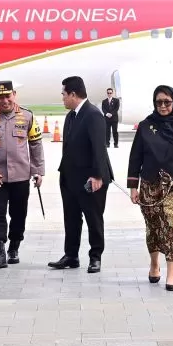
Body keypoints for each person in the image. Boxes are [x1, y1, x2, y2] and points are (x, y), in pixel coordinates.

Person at [127, 85, 173, 291]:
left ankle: (172, 273)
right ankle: (154, 264)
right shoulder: (145, 125)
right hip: (150, 185)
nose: (163, 106)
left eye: (167, 102)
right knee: (154, 229)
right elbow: (135, 157)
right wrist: (133, 186)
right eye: (159, 102)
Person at [0, 80, 45, 268]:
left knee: (18, 214)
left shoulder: (27, 116)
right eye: (0, 97)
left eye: (8, 96)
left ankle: (14, 246)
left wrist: (38, 172)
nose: (4, 100)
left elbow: (36, 144)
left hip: (21, 176)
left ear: (14, 94)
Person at [49, 76, 113, 273]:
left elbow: (99, 148)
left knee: (93, 218)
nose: (62, 98)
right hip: (70, 178)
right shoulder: (71, 116)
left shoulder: (93, 114)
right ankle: (71, 255)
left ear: (73, 94)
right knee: (71, 218)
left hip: (90, 179)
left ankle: (95, 257)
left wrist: (97, 176)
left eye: (64, 94)